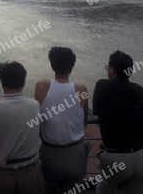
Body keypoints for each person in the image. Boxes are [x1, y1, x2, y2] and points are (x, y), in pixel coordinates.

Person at [0, 61, 44, 194]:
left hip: (2, 173)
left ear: (2, 84)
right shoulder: (34, 105)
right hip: (29, 172)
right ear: (23, 83)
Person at [92, 51, 143, 194]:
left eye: (108, 67)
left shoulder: (102, 86)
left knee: (105, 186)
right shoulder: (140, 90)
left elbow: (96, 110)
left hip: (116, 157)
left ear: (111, 69)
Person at [34, 47, 88, 194]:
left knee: (49, 188)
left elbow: (36, 117)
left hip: (50, 153)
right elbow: (85, 116)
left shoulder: (41, 86)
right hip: (76, 152)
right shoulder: (81, 89)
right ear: (72, 66)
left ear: (52, 65)